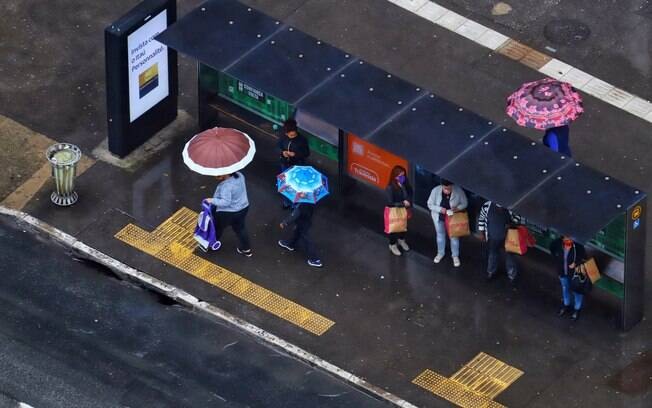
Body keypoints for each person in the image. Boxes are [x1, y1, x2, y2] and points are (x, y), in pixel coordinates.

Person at [206, 172, 252, 257]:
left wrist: (211, 200)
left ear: (226, 173)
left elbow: (225, 202)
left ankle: (212, 244)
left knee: (218, 227)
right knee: (240, 229)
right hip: (243, 208)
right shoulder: (240, 175)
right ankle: (246, 249)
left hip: (228, 212)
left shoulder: (226, 186)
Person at [476, 201, 523, 283]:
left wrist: (511, 224)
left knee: (510, 256)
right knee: (492, 254)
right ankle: (491, 271)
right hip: (493, 237)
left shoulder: (511, 205)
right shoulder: (487, 205)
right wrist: (482, 232)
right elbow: (481, 219)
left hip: (508, 237)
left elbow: (518, 217)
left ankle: (511, 274)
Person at [427, 179, 468, 267]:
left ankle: (455, 256)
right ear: (441, 186)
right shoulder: (435, 191)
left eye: (449, 189)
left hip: (453, 218)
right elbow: (429, 204)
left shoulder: (458, 191)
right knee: (440, 235)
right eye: (445, 188)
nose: (447, 191)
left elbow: (465, 203)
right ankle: (440, 253)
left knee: (454, 236)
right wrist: (440, 209)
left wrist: (457, 208)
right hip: (439, 216)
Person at [549, 236, 587, 321]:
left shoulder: (578, 246)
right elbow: (552, 249)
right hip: (563, 273)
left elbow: (584, 257)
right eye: (566, 238)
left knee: (577, 291)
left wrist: (576, 263)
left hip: (575, 275)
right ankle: (566, 305)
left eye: (570, 238)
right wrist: (557, 260)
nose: (568, 240)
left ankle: (577, 309)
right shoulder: (557, 244)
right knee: (565, 289)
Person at [277, 119, 310, 208]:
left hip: (297, 165)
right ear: (286, 133)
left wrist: (295, 154)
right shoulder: (283, 137)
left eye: (294, 134)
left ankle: (294, 205)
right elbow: (279, 146)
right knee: (285, 185)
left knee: (296, 186)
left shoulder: (302, 140)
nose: (292, 136)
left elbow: (306, 153)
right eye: (290, 135)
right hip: (285, 164)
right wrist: (282, 152)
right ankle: (286, 202)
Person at [278, 203, 322, 268]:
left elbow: (294, 215)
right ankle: (290, 244)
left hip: (302, 224)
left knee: (307, 241)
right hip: (305, 222)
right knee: (297, 233)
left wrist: (285, 222)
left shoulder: (302, 205)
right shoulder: (310, 203)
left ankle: (315, 259)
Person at [385, 165, 413, 256]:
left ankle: (401, 240)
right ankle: (392, 245)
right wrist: (402, 203)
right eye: (400, 176)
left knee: (403, 227)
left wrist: (408, 201)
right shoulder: (390, 187)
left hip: (405, 209)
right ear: (395, 176)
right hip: (395, 211)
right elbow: (390, 202)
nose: (402, 178)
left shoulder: (405, 183)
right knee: (394, 228)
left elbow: (410, 192)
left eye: (403, 175)